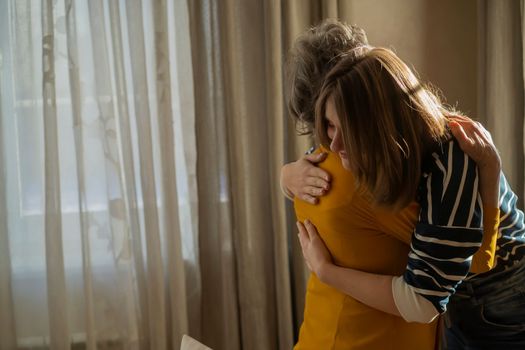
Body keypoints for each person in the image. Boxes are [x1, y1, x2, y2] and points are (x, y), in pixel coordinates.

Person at [282, 19, 498, 349]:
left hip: (497, 289)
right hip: (456, 292)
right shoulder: (367, 154)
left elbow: (478, 261)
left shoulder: (451, 156)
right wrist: (287, 175)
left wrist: (326, 270)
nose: (331, 148)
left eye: (341, 129)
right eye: (326, 129)